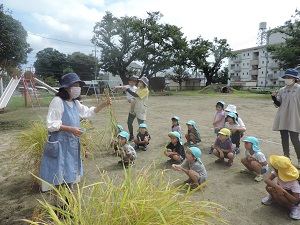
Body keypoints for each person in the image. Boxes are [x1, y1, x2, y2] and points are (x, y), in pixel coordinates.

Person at [39, 73, 111, 194]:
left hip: (71, 145)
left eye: (78, 85)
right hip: (60, 145)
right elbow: (51, 125)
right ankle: (60, 206)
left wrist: (104, 104)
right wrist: (71, 129)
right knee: (59, 176)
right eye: (74, 85)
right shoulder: (57, 101)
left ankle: (69, 203)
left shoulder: (75, 103)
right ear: (66, 88)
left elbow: (88, 112)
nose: (77, 88)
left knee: (70, 174)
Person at [271, 69, 300, 168]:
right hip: (283, 116)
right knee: (284, 138)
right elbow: (278, 104)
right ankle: (286, 157)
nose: (287, 79)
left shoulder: (299, 89)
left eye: (290, 77)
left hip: (294, 117)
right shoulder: (282, 90)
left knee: (294, 138)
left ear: (295, 79)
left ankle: (299, 158)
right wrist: (274, 98)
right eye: (286, 77)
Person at [261, 155, 300, 220]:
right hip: (281, 190)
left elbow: (296, 200)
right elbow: (267, 180)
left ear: (278, 169)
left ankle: (294, 207)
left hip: (291, 197)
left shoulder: (294, 182)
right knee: (268, 187)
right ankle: (273, 198)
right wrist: (277, 187)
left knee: (277, 195)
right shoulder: (278, 171)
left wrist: (283, 191)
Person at [121, 76, 149, 141]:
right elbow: (133, 96)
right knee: (129, 122)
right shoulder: (138, 88)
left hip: (141, 109)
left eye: (140, 82)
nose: (139, 83)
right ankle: (131, 135)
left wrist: (127, 89)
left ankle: (144, 139)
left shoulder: (146, 90)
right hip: (134, 108)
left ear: (143, 83)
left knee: (141, 126)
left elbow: (136, 95)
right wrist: (130, 100)